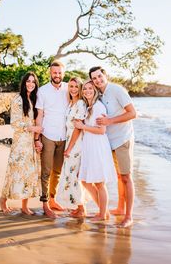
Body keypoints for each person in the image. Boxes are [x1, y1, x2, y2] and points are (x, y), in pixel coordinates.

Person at [89, 66, 137, 228]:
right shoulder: (98, 94)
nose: (97, 80)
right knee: (118, 176)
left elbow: (132, 113)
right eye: (94, 78)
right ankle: (120, 208)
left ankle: (129, 216)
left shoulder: (117, 90)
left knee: (126, 176)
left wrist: (110, 121)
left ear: (105, 75)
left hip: (123, 139)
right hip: (108, 141)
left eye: (99, 76)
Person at [0, 72, 42, 215]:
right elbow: (15, 123)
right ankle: (3, 200)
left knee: (29, 174)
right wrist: (32, 128)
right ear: (23, 83)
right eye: (28, 81)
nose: (30, 84)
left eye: (33, 82)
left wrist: (37, 138)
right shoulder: (18, 99)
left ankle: (25, 206)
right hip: (20, 142)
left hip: (31, 143)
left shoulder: (35, 100)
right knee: (14, 171)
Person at [74, 80, 116, 221]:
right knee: (85, 181)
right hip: (89, 145)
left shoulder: (98, 107)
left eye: (90, 88)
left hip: (97, 145)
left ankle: (102, 214)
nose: (87, 91)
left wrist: (82, 126)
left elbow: (101, 130)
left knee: (99, 183)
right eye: (85, 89)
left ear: (95, 90)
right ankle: (104, 211)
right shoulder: (88, 106)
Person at [35, 60, 68, 218]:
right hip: (48, 135)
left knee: (58, 171)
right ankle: (45, 204)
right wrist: (37, 138)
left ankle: (53, 199)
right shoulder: (42, 91)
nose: (57, 75)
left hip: (64, 136)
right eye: (54, 72)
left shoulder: (69, 88)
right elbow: (39, 115)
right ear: (50, 73)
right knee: (46, 171)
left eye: (60, 72)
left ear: (64, 73)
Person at [56, 77, 86, 218]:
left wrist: (69, 149)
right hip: (69, 142)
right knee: (70, 175)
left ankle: (81, 208)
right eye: (71, 86)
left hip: (76, 144)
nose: (73, 89)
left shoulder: (80, 104)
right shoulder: (71, 104)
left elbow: (77, 129)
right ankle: (78, 206)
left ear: (80, 89)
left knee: (73, 175)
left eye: (76, 87)